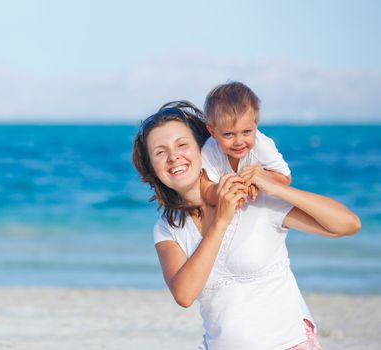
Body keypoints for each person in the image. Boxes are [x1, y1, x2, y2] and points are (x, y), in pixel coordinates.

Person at [132, 103, 361, 349]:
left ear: (204, 149)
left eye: (182, 145)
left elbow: (347, 225)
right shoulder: (169, 227)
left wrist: (276, 187)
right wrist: (220, 221)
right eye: (160, 152)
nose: (173, 156)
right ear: (152, 169)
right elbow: (184, 294)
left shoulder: (254, 200)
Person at [200, 81, 290, 203]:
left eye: (246, 132)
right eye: (228, 134)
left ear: (255, 125)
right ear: (213, 132)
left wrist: (260, 179)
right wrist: (225, 192)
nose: (238, 142)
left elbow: (285, 178)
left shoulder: (262, 146)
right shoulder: (210, 150)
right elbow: (205, 190)